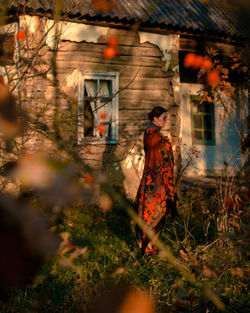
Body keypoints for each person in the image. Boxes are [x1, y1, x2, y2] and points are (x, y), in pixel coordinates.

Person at [133, 106, 176, 255]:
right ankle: (146, 245)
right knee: (151, 212)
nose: (165, 121)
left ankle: (150, 244)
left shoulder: (156, 135)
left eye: (166, 118)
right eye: (163, 118)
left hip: (158, 179)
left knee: (160, 211)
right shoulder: (152, 135)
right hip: (154, 180)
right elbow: (157, 157)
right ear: (155, 119)